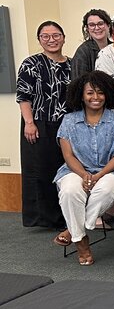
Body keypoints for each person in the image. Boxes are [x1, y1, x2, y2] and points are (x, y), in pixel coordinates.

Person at [53, 71, 114, 265]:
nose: (95, 97)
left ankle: (74, 231)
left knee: (105, 190)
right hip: (75, 169)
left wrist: (98, 175)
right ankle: (81, 242)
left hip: (112, 171)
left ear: (108, 94)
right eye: (90, 93)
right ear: (81, 95)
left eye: (100, 92)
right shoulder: (69, 121)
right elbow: (68, 156)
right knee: (70, 190)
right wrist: (83, 174)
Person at [16, 21, 72, 228]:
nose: (51, 40)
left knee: (65, 168)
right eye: (45, 36)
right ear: (39, 40)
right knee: (41, 170)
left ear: (64, 38)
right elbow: (23, 96)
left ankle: (67, 214)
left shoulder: (72, 64)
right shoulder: (31, 63)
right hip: (38, 122)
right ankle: (46, 219)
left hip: (66, 124)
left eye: (56, 35)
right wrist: (29, 123)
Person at [71, 9, 112, 80]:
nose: (97, 28)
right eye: (92, 25)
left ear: (108, 25)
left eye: (100, 23)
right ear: (87, 28)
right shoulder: (82, 52)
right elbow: (78, 82)